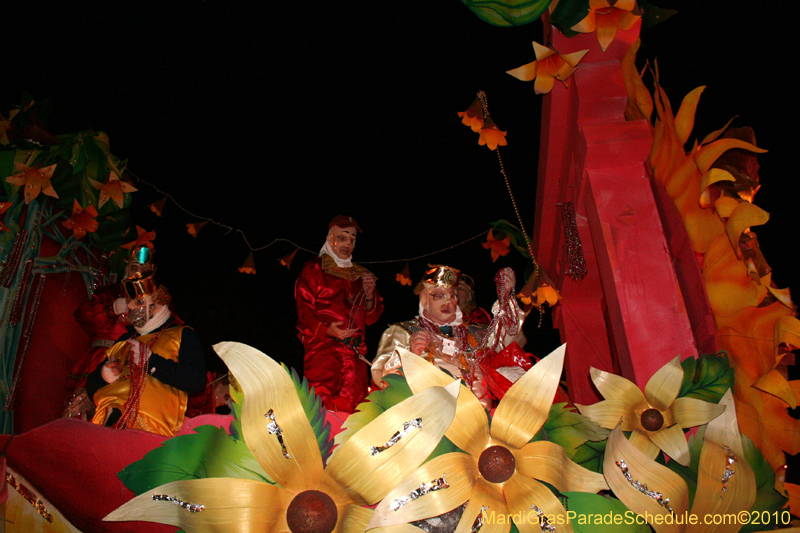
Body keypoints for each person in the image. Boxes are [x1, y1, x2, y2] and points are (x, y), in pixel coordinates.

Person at [85, 250, 206, 436]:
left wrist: (151, 362)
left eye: (139, 302)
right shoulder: (123, 341)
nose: (131, 307)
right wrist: (103, 376)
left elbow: (195, 381)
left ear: (157, 302)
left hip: (149, 434)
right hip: (106, 429)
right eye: (130, 301)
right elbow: (91, 387)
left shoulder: (183, 335)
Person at [371, 264, 525, 408]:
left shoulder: (474, 333)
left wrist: (506, 299)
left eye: (453, 295)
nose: (448, 302)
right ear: (424, 298)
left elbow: (508, 344)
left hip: (479, 415)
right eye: (438, 296)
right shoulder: (403, 331)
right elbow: (381, 375)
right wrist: (410, 356)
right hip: (430, 415)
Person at [295, 215, 384, 413]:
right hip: (323, 349)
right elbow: (304, 309)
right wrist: (326, 330)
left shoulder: (360, 275)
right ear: (330, 238)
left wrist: (370, 296)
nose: (347, 244)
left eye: (352, 240)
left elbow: (371, 317)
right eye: (342, 238)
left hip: (355, 353)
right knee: (322, 406)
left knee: (355, 409)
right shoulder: (314, 269)